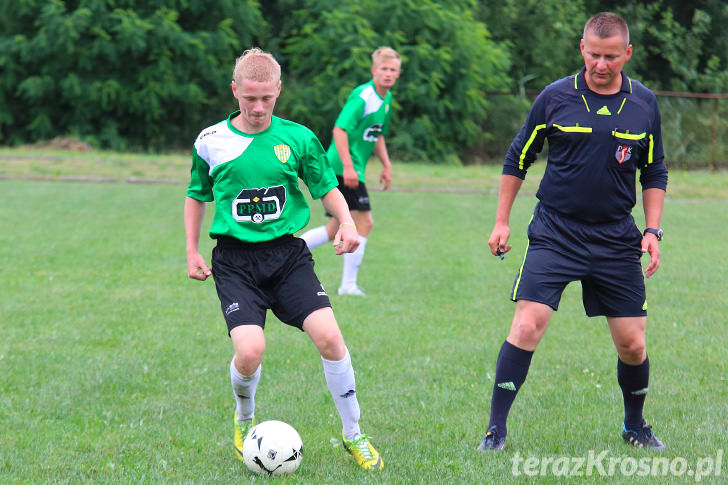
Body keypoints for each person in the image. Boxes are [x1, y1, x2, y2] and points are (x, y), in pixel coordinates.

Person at [184, 48, 383, 470]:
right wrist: (191, 249)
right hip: (235, 261)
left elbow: (326, 186)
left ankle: (355, 436)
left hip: (287, 256)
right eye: (249, 98)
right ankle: (244, 420)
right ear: (235, 90)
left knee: (330, 338)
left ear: (278, 91)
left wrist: (346, 221)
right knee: (251, 350)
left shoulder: (297, 138)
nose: (257, 108)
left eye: (266, 99)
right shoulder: (210, 141)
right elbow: (196, 195)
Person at [478, 12, 668, 452]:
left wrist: (653, 230)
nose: (602, 65)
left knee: (633, 345)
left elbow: (654, 170)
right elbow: (517, 158)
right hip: (556, 232)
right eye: (594, 55)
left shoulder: (644, 104)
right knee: (527, 326)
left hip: (616, 237)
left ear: (627, 53)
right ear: (582, 49)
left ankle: (635, 426)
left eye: (611, 57)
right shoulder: (555, 97)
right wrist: (502, 220)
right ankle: (495, 430)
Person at [300, 47, 401, 296]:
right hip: (342, 167)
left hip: (350, 168)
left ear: (398, 74)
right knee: (364, 223)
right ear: (373, 71)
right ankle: (347, 285)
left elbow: (376, 135)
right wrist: (348, 166)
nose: (388, 74)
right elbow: (339, 130)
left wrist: (386, 165)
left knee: (335, 229)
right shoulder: (364, 96)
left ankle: (288, 252)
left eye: (393, 70)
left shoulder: (385, 99)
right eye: (383, 69)